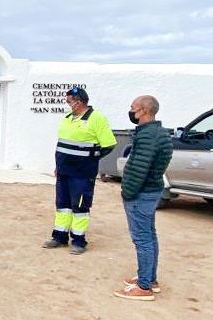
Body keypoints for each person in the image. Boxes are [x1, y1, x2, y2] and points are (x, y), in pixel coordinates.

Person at [42, 86, 116, 255]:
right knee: (62, 206)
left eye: (69, 101)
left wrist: (89, 160)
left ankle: (79, 241)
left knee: (80, 207)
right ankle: (59, 236)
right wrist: (58, 166)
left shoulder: (97, 118)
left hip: (82, 174)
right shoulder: (67, 118)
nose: (68, 104)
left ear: (79, 101)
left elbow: (109, 144)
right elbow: (63, 145)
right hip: (64, 171)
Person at [114, 95, 173, 301]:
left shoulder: (148, 136)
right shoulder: (159, 133)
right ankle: (149, 278)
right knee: (149, 235)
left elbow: (140, 168)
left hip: (141, 194)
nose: (130, 111)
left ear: (144, 111)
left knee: (142, 239)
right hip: (151, 190)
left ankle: (144, 286)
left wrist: (127, 192)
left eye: (133, 107)